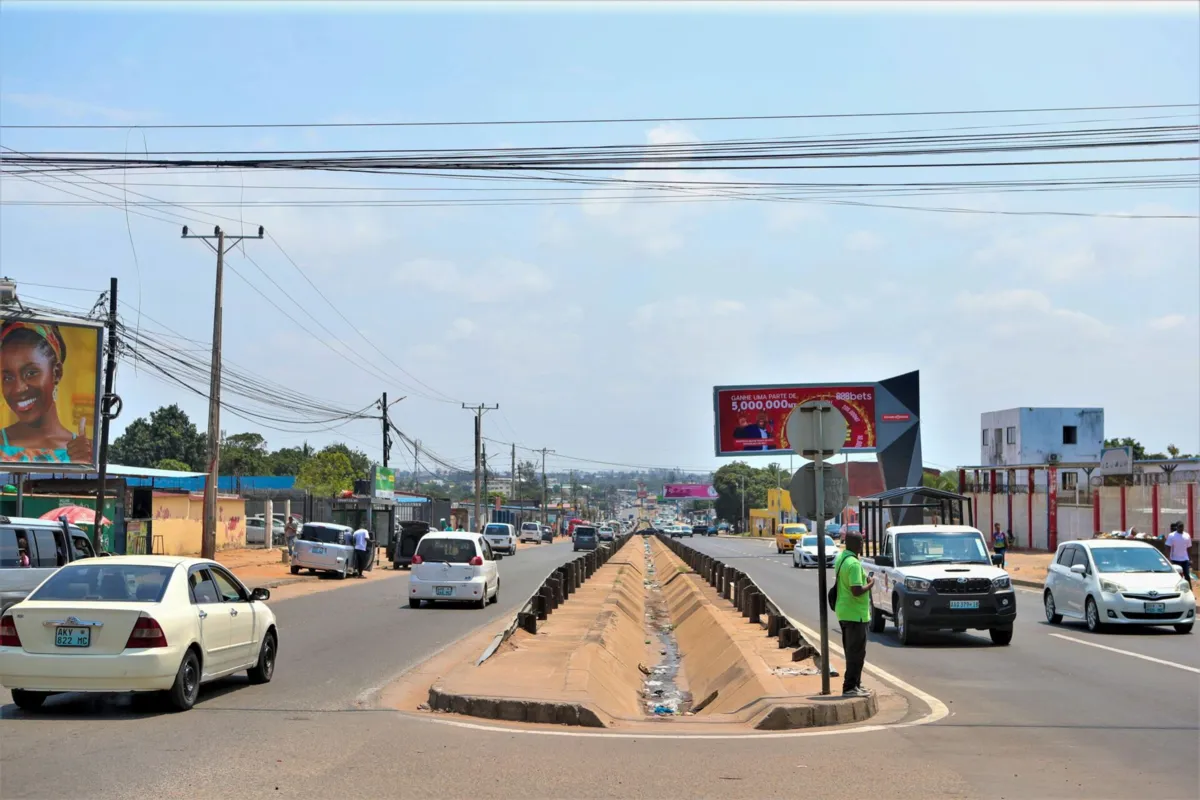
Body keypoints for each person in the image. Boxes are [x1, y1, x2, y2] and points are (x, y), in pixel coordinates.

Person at [0, 321, 93, 463]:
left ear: (57, 373)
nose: (18, 388)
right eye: (8, 378)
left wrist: (85, 466)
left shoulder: (85, 450)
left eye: (31, 373)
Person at [833, 531, 874, 697]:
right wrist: (870, 584)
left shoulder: (842, 559)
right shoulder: (854, 564)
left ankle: (856, 684)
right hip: (855, 614)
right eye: (861, 542)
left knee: (852, 651)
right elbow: (856, 590)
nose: (862, 544)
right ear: (856, 545)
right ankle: (850, 687)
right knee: (856, 653)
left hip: (845, 611)